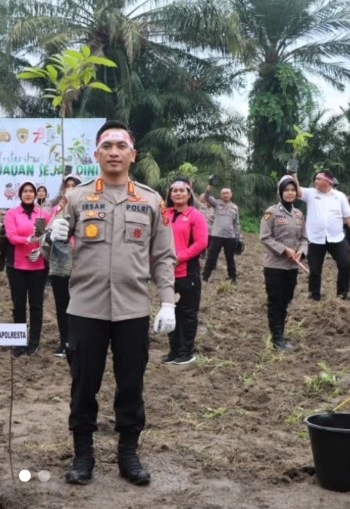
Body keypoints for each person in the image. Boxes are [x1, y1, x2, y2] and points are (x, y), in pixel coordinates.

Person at [45, 120, 176, 486]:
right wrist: (53, 235)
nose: (114, 152)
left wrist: (168, 302)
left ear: (133, 155)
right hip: (85, 308)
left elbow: (163, 256)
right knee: (83, 384)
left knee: (131, 384)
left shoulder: (151, 200)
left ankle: (128, 453)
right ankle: (83, 454)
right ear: (96, 154)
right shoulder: (76, 197)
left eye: (121, 146)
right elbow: (50, 250)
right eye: (107, 146)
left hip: (133, 309)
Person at [295, 170, 350, 300]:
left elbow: (349, 217)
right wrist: (293, 174)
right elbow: (297, 191)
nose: (315, 181)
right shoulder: (310, 193)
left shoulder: (340, 196)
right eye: (315, 179)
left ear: (328, 181)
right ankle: (314, 295)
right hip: (315, 238)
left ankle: (342, 294)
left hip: (336, 237)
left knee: (345, 263)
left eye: (318, 179)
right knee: (315, 269)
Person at [162, 178, 208, 365]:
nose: (178, 193)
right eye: (174, 190)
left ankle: (186, 351)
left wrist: (179, 257)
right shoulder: (165, 214)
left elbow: (201, 243)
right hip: (167, 274)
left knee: (187, 313)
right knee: (170, 311)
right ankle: (174, 350)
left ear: (189, 194)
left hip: (187, 273)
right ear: (170, 194)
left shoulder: (195, 215)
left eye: (182, 191)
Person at [260, 176, 308, 350]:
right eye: (286, 190)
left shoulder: (299, 214)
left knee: (286, 300)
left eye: (293, 190)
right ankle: (277, 338)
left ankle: (279, 332)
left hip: (292, 266)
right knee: (276, 302)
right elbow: (265, 237)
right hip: (275, 266)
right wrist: (284, 250)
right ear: (280, 192)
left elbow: (304, 238)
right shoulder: (271, 212)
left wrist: (302, 251)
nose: (290, 193)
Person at [4, 180, 51, 356]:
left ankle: (34, 343)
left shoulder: (42, 214)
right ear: (20, 194)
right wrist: (27, 240)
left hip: (38, 265)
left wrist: (40, 250)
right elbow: (11, 237)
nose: (28, 194)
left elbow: (44, 237)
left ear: (36, 194)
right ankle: (19, 343)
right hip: (17, 266)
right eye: (25, 191)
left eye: (31, 191)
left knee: (36, 305)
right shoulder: (12, 214)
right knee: (19, 305)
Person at [46, 174, 82, 357]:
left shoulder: (86, 208)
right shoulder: (56, 209)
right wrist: (50, 234)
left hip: (80, 262)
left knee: (79, 304)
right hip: (60, 262)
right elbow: (47, 232)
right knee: (62, 304)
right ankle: (64, 341)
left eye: (74, 185)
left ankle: (78, 341)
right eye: (68, 185)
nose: (70, 188)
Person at [201, 180, 240, 283]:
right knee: (211, 257)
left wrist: (238, 238)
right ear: (220, 195)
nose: (225, 195)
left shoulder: (235, 208)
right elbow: (206, 196)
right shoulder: (217, 204)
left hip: (230, 237)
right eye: (223, 193)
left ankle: (232, 277)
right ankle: (205, 277)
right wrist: (210, 185)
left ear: (231, 195)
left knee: (230, 258)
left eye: (227, 193)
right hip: (216, 236)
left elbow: (236, 224)